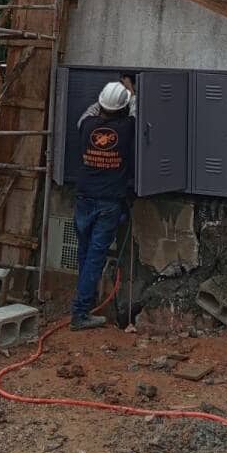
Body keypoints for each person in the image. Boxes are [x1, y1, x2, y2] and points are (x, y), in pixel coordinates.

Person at [71, 75, 136, 330]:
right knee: (95, 257)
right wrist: (130, 90)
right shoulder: (127, 129)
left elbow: (92, 110)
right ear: (122, 108)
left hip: (84, 198)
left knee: (85, 252)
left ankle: (84, 301)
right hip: (108, 203)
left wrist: (111, 94)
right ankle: (80, 312)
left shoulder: (86, 125)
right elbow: (135, 110)